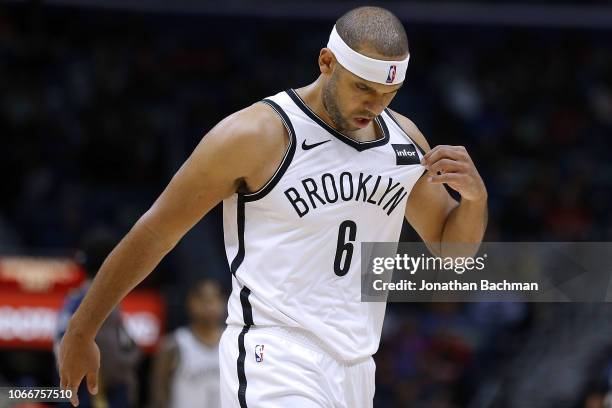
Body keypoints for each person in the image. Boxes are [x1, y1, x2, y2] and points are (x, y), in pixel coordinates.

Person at [58, 6, 487, 408]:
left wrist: (473, 199)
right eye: (363, 88)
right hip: (275, 354)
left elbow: (453, 257)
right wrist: (82, 327)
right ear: (327, 62)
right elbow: (156, 231)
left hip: (357, 367)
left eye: (389, 93)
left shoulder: (403, 141)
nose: (375, 105)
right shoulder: (257, 134)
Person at [55, 226, 141, 407]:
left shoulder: (74, 298)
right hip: (94, 388)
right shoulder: (100, 301)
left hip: (83, 384)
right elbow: (116, 352)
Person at [149, 279, 225, 408]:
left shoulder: (233, 342)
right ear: (191, 302)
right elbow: (158, 396)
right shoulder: (173, 344)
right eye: (204, 300)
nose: (210, 307)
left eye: (215, 300)